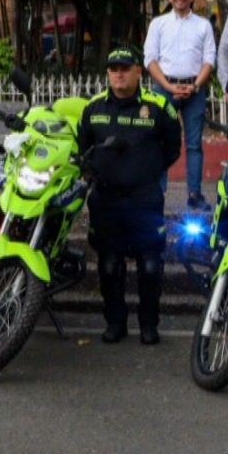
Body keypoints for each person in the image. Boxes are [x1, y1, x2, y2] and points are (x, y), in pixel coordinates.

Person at [79, 47, 182, 344]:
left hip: (144, 198)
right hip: (106, 199)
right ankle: (115, 323)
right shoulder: (94, 108)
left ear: (139, 71)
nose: (119, 74)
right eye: (114, 68)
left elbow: (172, 148)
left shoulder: (159, 106)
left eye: (125, 68)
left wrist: (146, 171)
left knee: (150, 266)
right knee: (109, 265)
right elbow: (83, 149)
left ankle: (149, 325)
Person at [143, 0, 216, 211]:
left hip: (194, 90)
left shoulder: (203, 25)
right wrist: (168, 85)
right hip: (164, 90)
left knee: (194, 144)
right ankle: (158, 192)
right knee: (160, 141)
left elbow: (209, 60)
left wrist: (194, 86)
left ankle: (194, 194)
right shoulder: (158, 24)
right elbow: (150, 59)